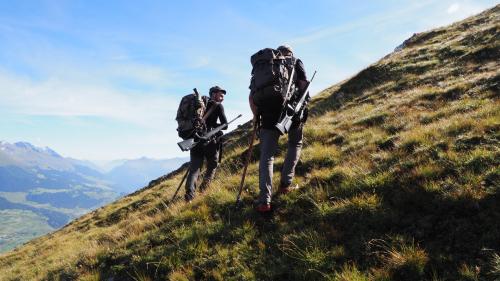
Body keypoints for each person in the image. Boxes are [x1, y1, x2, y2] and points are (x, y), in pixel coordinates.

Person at [249, 45, 309, 213]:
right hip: (292, 112)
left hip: (267, 114)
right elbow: (303, 84)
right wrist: (301, 105)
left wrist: (256, 117)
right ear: (290, 53)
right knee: (295, 144)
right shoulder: (295, 62)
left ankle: (264, 201)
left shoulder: (264, 67)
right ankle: (285, 185)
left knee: (267, 157)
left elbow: (252, 97)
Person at [185, 86, 228, 202]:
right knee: (212, 166)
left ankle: (189, 196)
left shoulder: (198, 106)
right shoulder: (218, 106)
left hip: (196, 140)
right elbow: (225, 124)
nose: (222, 98)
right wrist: (215, 126)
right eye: (220, 95)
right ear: (213, 94)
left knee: (194, 169)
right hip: (210, 141)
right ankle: (203, 191)